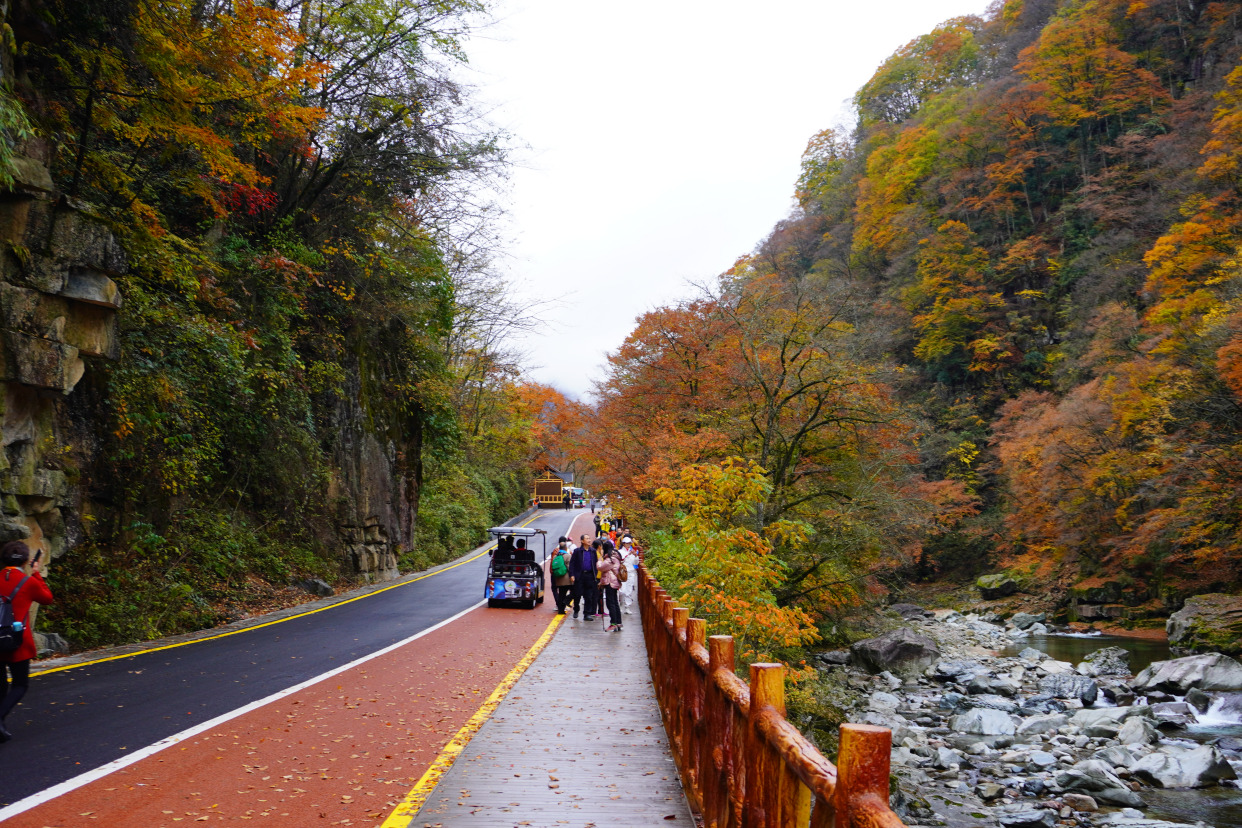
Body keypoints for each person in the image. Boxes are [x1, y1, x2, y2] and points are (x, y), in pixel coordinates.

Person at [0, 541, 53, 742]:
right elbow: (47, 598)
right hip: (17, 641)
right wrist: (36, 573)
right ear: (25, 561)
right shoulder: (28, 582)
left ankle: (1, 728)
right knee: (20, 685)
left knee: (1, 686)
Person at [568, 534, 598, 620]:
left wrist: (595, 574)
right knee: (577, 594)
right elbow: (572, 564)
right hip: (579, 576)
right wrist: (572, 575)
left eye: (589, 538)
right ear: (582, 541)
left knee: (588, 596)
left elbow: (595, 563)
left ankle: (587, 614)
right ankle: (576, 609)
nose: (589, 540)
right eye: (587, 538)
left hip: (590, 576)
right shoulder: (577, 551)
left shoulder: (593, 551)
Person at [597, 541, 623, 632]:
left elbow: (600, 567)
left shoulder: (610, 559)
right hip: (614, 582)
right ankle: (618, 622)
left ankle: (613, 623)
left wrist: (600, 559)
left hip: (610, 582)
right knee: (615, 602)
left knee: (610, 603)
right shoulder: (616, 557)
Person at [550, 536, 573, 614]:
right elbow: (570, 567)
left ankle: (561, 610)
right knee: (575, 591)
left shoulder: (555, 555)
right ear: (566, 548)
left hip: (558, 578)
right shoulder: (568, 555)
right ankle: (566, 601)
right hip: (566, 579)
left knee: (561, 594)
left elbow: (552, 566)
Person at [618, 536, 640, 615]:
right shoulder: (620, 552)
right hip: (623, 573)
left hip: (630, 572)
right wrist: (628, 554)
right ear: (623, 544)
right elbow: (620, 561)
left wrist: (636, 556)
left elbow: (636, 563)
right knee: (622, 591)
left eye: (630, 543)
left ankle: (627, 607)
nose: (628, 545)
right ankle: (621, 604)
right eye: (627, 543)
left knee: (629, 590)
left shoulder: (633, 552)